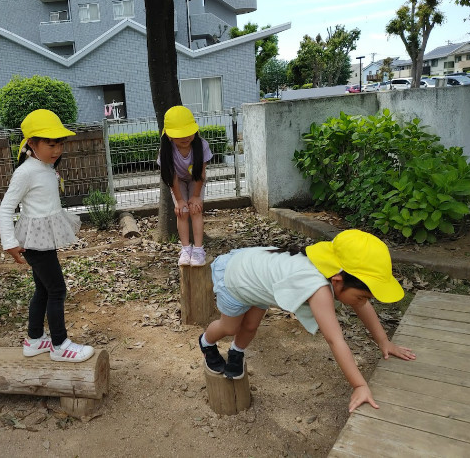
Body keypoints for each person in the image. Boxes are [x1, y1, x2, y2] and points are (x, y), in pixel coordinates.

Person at [198, 229, 416, 412]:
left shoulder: (331, 266)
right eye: (361, 296)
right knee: (230, 326)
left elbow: (362, 306)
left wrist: (384, 342)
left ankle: (237, 352)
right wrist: (359, 385)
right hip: (237, 278)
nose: (362, 302)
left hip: (258, 281)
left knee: (251, 326)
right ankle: (206, 343)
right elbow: (335, 340)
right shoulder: (318, 287)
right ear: (338, 281)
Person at [0, 109, 94, 363]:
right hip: (35, 241)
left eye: (59, 143)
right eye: (50, 144)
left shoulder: (45, 166)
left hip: (44, 237)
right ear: (32, 143)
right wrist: (9, 243)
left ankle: (34, 339)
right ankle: (60, 344)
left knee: (43, 289)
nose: (56, 150)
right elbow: (6, 208)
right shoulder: (26, 172)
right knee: (57, 290)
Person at [158, 105, 213, 267]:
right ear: (169, 135)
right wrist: (180, 200)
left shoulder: (201, 145)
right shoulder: (166, 151)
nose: (185, 137)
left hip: (197, 179)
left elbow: (200, 174)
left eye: (188, 132)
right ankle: (185, 249)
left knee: (195, 210)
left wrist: (196, 196)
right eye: (179, 134)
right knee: (182, 212)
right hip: (177, 181)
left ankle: (198, 249)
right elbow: (172, 177)